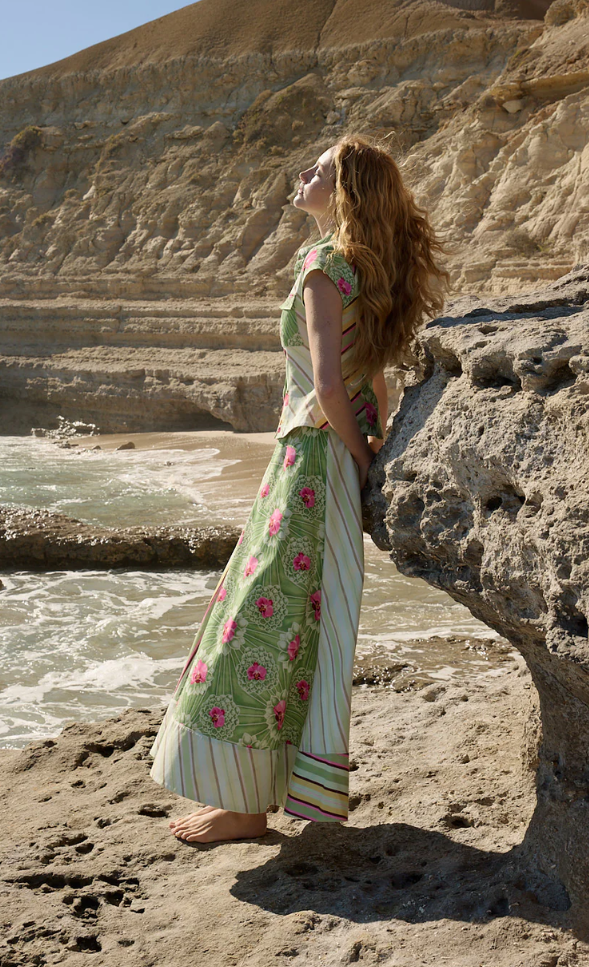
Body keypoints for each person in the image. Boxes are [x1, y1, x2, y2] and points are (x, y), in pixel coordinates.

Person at [149, 133, 450, 843]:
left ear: (342, 193)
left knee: (260, 619)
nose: (300, 175)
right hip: (333, 465)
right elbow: (370, 380)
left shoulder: (321, 265)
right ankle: (264, 791)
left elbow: (323, 386)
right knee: (301, 625)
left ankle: (244, 804)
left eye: (315, 171)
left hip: (309, 461)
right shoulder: (361, 268)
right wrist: (367, 457)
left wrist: (357, 459)